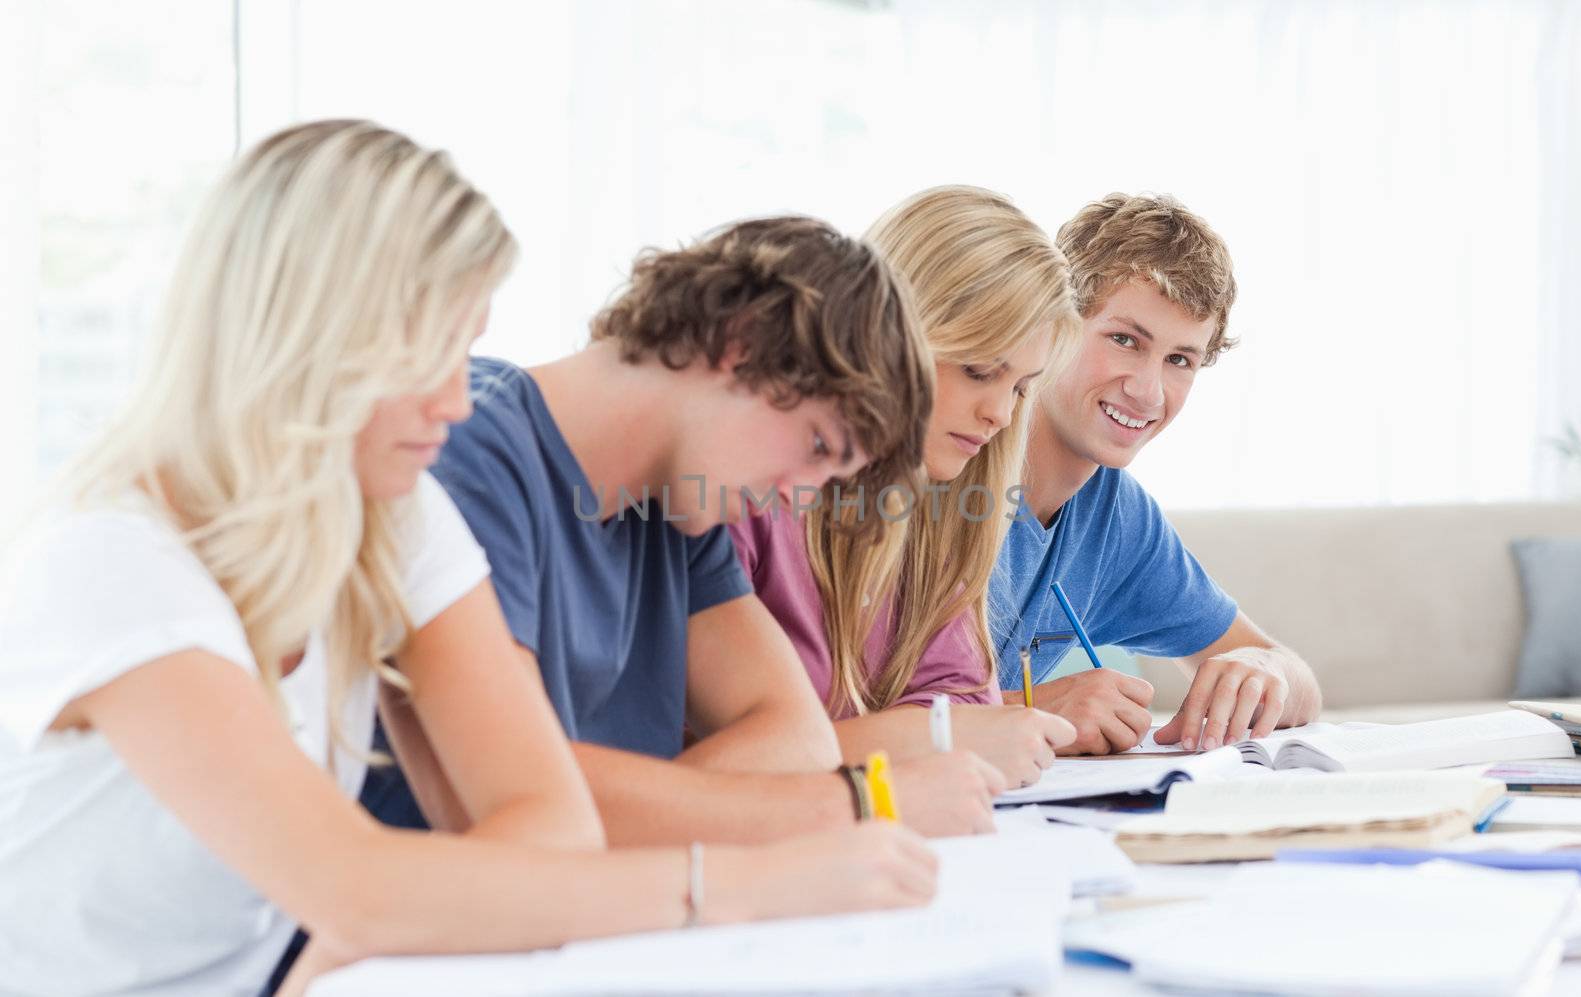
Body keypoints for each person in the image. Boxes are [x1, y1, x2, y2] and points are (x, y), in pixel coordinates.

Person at [0, 120, 937, 997]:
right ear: (312, 335)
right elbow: (355, 888)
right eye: (432, 353)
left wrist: (369, 922)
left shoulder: (393, 519)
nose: (455, 401)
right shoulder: (113, 561)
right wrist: (744, 876)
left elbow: (552, 826)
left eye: (470, 350)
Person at [368, 212, 1006, 846]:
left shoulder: (679, 509)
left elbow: (796, 735)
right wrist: (862, 805)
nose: (797, 497)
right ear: (741, 343)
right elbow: (498, 800)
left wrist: (634, 814)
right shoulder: (461, 450)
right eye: (816, 444)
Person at [730, 186, 1080, 789]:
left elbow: (969, 709)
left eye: (1021, 387)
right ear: (892, 331)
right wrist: (926, 736)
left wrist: (930, 733)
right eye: (978, 370)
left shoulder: (940, 508)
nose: (1000, 414)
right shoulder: (753, 489)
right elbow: (721, 759)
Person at [989, 192, 1322, 755]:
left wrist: (1262, 669)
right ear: (1052, 326)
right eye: (1125, 340)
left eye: (1179, 361)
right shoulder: (952, 462)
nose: (1148, 391)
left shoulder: (1117, 517)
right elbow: (844, 713)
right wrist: (1031, 710)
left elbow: (1299, 682)